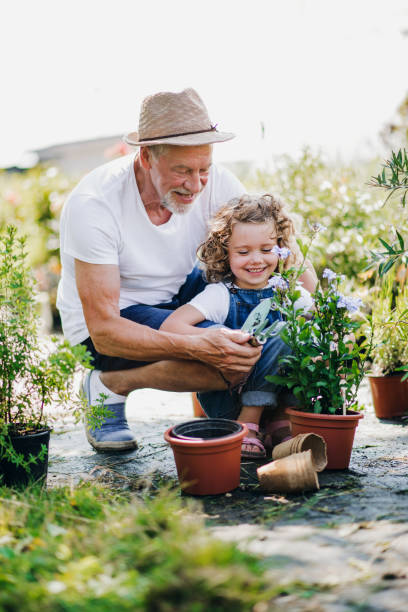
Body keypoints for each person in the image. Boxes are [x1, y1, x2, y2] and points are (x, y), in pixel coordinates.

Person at [57, 88, 266, 452]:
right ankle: (110, 385)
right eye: (182, 171)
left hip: (177, 298)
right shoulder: (95, 204)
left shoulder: (213, 180)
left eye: (204, 169)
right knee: (228, 361)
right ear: (146, 156)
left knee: (254, 333)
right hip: (110, 324)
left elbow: (276, 244)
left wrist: (325, 307)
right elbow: (104, 330)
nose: (196, 184)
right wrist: (199, 345)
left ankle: (250, 416)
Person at [161, 194, 315, 458]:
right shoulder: (221, 295)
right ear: (225, 252)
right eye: (243, 252)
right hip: (227, 400)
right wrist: (216, 336)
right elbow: (171, 326)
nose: (256, 260)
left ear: (280, 247)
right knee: (282, 334)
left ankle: (278, 422)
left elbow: (321, 322)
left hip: (277, 402)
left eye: (266, 250)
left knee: (305, 337)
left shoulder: (290, 293)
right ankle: (248, 422)